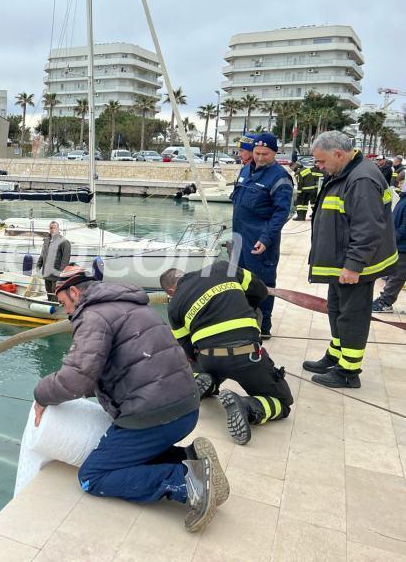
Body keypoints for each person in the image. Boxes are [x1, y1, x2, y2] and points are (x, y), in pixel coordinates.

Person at [32, 267, 229, 532]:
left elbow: (77, 376)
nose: (65, 311)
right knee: (129, 457)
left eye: (63, 303)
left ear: (75, 292)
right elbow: (123, 364)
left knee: (93, 476)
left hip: (155, 413)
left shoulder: (92, 316)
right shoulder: (132, 304)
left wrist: (41, 395)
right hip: (186, 405)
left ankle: (187, 482)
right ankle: (190, 459)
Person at [302, 132, 398, 388]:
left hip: (356, 265)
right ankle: (336, 353)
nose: (319, 167)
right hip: (341, 261)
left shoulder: (362, 179)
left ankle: (348, 371)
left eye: (322, 162)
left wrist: (354, 265)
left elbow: (368, 228)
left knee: (352, 316)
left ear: (339, 155)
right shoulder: (343, 172)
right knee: (336, 309)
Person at [161, 261, 293, 445]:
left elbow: (187, 348)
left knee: (194, 359)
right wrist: (245, 307)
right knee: (283, 401)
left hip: (210, 358)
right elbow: (260, 290)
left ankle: (204, 379)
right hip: (246, 355)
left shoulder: (173, 306)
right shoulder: (222, 268)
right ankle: (248, 406)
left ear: (170, 291)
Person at [230, 133, 293, 339]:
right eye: (256, 153)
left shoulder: (280, 178)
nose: (259, 157)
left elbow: (281, 213)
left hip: (260, 240)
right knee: (239, 281)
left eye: (265, 154)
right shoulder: (245, 170)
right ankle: (245, 321)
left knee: (261, 283)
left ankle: (263, 326)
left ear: (275, 152)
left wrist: (266, 239)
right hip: (240, 237)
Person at [372, 177, 406, 313]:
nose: (400, 184)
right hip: (400, 245)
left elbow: (404, 228)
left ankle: (385, 302)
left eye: (402, 182)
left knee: (397, 276)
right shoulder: (403, 200)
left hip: (403, 247)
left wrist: (391, 239)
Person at [36, 220, 71, 300]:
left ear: (58, 229)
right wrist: (38, 266)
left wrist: (62, 272)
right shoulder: (46, 240)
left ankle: (56, 306)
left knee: (55, 293)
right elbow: (42, 254)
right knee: (48, 291)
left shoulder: (64, 242)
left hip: (56, 274)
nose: (52, 230)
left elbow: (65, 259)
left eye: (54, 228)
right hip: (46, 273)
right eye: (51, 228)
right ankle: (49, 304)